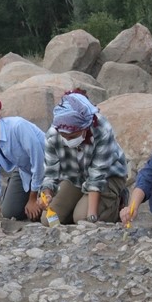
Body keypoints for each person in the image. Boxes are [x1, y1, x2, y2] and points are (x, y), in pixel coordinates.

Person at [41, 90, 128, 224]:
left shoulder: (101, 129)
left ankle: (118, 201)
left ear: (85, 128)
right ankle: (78, 207)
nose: (67, 140)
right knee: (49, 220)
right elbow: (50, 174)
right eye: (64, 136)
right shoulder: (53, 135)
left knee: (82, 218)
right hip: (75, 178)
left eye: (72, 136)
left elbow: (97, 176)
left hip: (108, 176)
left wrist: (92, 216)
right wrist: (47, 194)